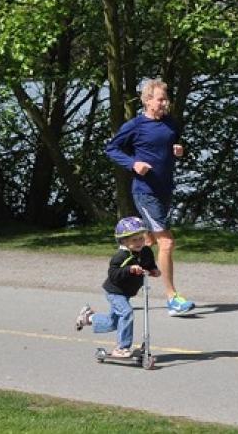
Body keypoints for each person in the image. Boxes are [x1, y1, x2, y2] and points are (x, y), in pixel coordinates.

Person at [104, 78, 194, 315]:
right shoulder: (135, 125)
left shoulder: (171, 124)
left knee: (149, 243)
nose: (165, 103)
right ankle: (172, 298)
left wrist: (178, 151)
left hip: (165, 190)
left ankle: (118, 280)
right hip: (145, 192)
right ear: (147, 101)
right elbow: (111, 149)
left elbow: (170, 147)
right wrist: (133, 163)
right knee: (167, 242)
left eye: (166, 98)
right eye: (160, 99)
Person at [75, 217, 161, 357]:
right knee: (127, 313)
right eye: (134, 240)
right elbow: (113, 274)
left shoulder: (145, 251)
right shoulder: (121, 256)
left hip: (127, 292)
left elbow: (149, 264)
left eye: (141, 238)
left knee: (113, 323)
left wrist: (154, 270)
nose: (139, 242)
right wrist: (129, 269)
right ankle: (121, 348)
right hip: (114, 291)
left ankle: (88, 318)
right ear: (123, 241)